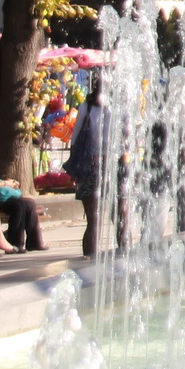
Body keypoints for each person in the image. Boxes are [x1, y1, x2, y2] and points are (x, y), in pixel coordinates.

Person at [64, 80, 109, 256]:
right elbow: (75, 139)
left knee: (121, 216)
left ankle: (122, 257)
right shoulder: (86, 107)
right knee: (93, 218)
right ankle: (89, 259)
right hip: (89, 165)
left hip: (111, 164)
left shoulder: (118, 107)